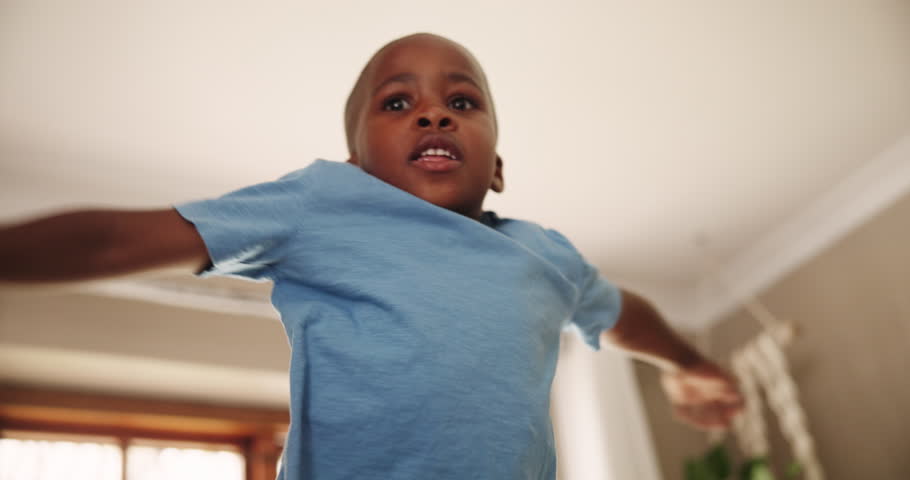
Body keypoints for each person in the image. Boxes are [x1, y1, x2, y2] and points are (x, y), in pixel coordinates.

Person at [0, 33, 743, 479]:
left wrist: (692, 363)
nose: (433, 110)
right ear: (356, 161)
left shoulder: (540, 253)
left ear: (497, 166)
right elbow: (119, 237)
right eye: (397, 102)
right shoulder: (327, 203)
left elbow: (620, 314)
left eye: (463, 100)